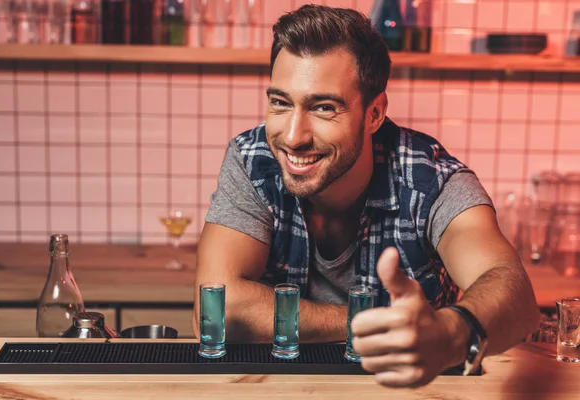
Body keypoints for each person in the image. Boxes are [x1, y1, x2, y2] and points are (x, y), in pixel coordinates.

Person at [193, 4, 540, 388]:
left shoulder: (431, 179)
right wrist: (370, 321)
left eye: (324, 108)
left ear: (374, 114)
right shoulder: (252, 160)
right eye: (280, 102)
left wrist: (450, 332)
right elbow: (218, 311)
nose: (293, 136)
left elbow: (515, 295)